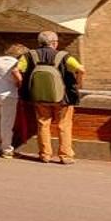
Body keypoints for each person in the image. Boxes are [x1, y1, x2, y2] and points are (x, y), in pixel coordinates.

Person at [20, 30, 85, 165]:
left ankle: (45, 155)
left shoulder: (29, 55)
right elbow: (81, 69)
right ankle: (65, 155)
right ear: (54, 43)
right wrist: (78, 83)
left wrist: (21, 84)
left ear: (39, 43)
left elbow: (16, 70)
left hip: (39, 97)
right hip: (62, 98)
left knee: (43, 124)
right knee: (64, 125)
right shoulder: (64, 56)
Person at [0, 43, 28, 158]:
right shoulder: (16, 63)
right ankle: (7, 149)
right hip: (8, 94)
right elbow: (18, 76)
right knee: (6, 124)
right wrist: (20, 83)